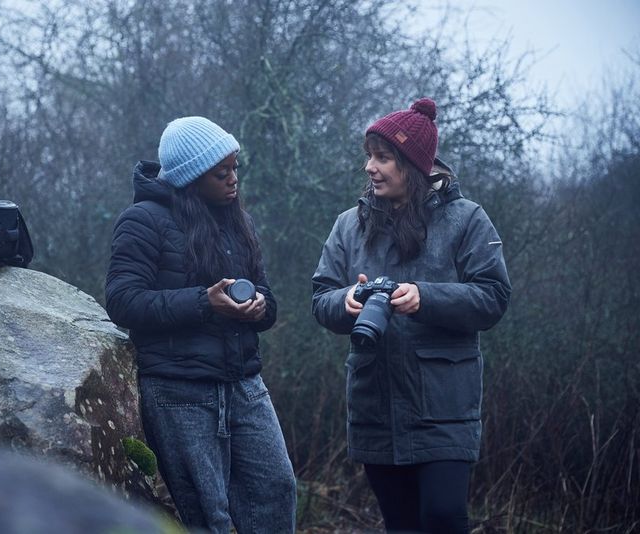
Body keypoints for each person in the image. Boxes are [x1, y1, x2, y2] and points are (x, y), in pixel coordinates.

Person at [311, 98, 511, 533]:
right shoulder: (348, 225)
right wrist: (347, 300)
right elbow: (320, 298)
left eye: (383, 157)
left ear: (414, 165)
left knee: (443, 517)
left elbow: (494, 296)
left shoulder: (466, 219)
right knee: (401, 525)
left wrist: (426, 298)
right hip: (375, 405)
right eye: (369, 156)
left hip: (443, 407)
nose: (370, 167)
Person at [105, 116, 297, 533]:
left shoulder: (237, 220)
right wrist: (204, 302)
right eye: (220, 172)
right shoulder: (142, 220)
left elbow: (267, 296)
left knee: (277, 491)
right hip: (179, 391)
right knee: (209, 515)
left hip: (244, 384)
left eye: (235, 168)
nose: (233, 180)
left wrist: (260, 307)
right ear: (191, 177)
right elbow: (122, 301)